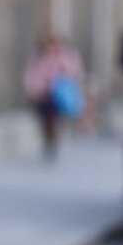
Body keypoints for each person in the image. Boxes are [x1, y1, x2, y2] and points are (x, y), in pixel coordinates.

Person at [23, 31, 85, 160]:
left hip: (56, 94)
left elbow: (73, 71)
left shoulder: (63, 56)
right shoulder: (38, 57)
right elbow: (31, 75)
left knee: (53, 119)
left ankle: (53, 142)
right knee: (44, 120)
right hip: (42, 94)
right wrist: (34, 89)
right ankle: (48, 140)